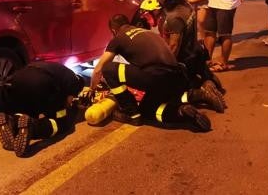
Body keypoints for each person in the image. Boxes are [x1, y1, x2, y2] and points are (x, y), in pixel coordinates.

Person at [90, 14, 221, 132]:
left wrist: (92, 89)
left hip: (155, 76)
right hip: (176, 75)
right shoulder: (147, 32)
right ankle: (189, 105)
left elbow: (99, 69)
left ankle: (131, 113)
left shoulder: (118, 38)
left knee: (108, 69)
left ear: (113, 30)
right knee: (149, 109)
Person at [149, 0, 227, 101]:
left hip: (184, 61)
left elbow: (174, 47)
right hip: (195, 53)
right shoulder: (185, 6)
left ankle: (200, 94)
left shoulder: (174, 17)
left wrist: (163, 68)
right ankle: (206, 82)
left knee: (160, 92)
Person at [0, 62, 84, 157]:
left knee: (28, 113)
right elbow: (67, 103)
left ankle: (11, 122)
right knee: (62, 122)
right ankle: (33, 128)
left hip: (17, 80)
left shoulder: (59, 69)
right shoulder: (74, 81)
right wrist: (72, 109)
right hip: (41, 82)